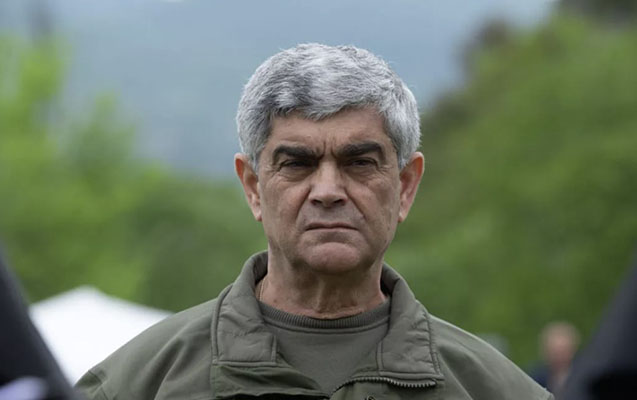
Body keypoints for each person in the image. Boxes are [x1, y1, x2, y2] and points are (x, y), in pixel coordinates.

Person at [76, 43, 553, 400]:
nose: (327, 190)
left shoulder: (496, 391)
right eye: (297, 163)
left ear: (405, 186)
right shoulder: (133, 387)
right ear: (253, 187)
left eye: (359, 162)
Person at [530, 322, 580, 396]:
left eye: (563, 351)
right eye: (555, 352)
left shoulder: (584, 377)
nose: (559, 357)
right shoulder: (535, 378)